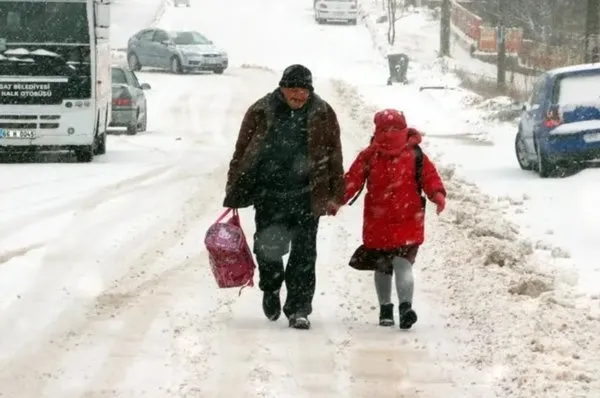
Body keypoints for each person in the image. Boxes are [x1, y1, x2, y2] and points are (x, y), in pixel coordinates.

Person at [223, 64, 344, 330]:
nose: (298, 97)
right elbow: (241, 152)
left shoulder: (322, 113)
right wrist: (234, 188)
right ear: (282, 88)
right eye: (293, 90)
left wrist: (336, 193)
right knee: (269, 250)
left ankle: (299, 308)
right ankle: (271, 288)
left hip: (307, 195)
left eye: (303, 91)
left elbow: (334, 153)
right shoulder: (261, 110)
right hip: (270, 194)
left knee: (304, 255)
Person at [341, 109, 446, 330]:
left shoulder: (415, 155)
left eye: (395, 129)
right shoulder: (369, 156)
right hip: (379, 222)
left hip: (405, 220)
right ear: (376, 131)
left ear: (405, 129)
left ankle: (405, 308)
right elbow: (353, 179)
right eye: (384, 129)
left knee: (401, 264)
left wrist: (437, 194)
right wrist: (338, 199)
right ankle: (386, 309)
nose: (390, 134)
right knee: (383, 268)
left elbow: (429, 177)